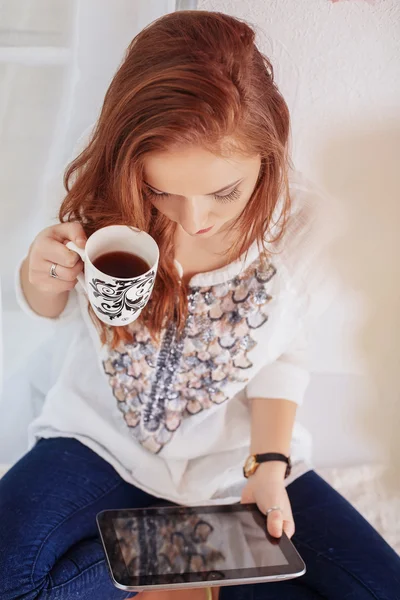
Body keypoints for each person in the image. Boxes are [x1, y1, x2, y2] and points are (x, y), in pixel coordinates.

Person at [0, 10, 398, 600]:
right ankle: (209, 564)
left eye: (223, 193)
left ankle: (194, 564)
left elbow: (285, 354)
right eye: (162, 191)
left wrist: (268, 465)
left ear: (267, 152)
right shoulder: (106, 207)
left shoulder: (304, 229)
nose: (194, 219)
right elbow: (48, 309)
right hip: (100, 444)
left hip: (234, 466)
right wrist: (39, 274)